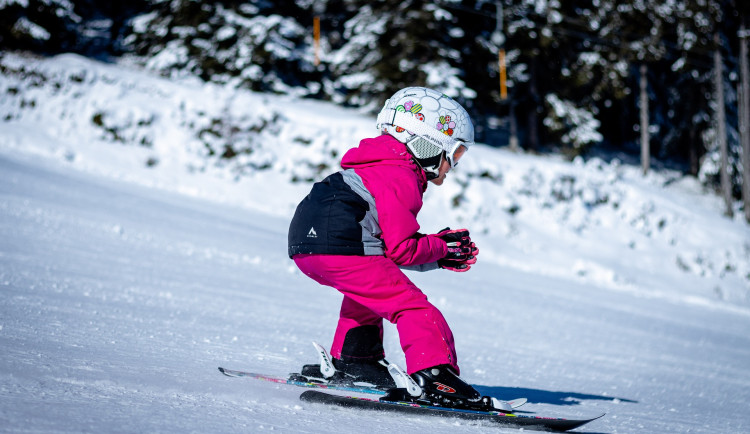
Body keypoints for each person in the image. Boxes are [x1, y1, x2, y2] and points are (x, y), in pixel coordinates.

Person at [288, 87, 482, 406]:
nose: (452, 166)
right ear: (428, 143)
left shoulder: (371, 168)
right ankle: (434, 377)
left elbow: (387, 251)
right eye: (456, 154)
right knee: (413, 307)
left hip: (306, 247)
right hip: (342, 243)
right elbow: (402, 249)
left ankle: (357, 359)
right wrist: (443, 249)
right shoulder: (400, 175)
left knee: (368, 291)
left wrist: (436, 251)